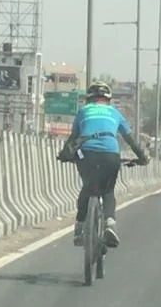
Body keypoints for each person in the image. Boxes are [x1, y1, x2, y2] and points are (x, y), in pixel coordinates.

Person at [58, 81, 148, 247]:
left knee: (87, 187)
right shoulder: (114, 113)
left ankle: (79, 227)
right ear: (108, 99)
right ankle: (109, 224)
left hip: (86, 154)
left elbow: (73, 139)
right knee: (108, 190)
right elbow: (131, 140)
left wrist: (63, 155)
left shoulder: (83, 111)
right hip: (110, 155)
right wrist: (142, 157)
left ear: (89, 98)